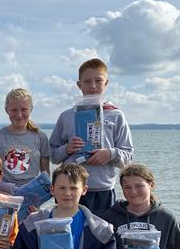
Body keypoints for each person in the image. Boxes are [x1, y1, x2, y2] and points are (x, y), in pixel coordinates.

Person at [48, 58, 133, 216]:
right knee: (70, 235)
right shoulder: (66, 116)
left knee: (101, 236)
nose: (93, 86)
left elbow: (128, 156)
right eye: (87, 81)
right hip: (70, 190)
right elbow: (52, 155)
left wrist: (110, 154)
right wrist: (67, 149)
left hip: (102, 190)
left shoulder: (116, 115)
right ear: (79, 84)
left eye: (98, 81)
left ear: (106, 83)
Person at [0, 88, 50, 194]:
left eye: (24, 109)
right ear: (6, 110)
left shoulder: (40, 137)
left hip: (31, 193)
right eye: (14, 110)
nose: (19, 115)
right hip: (2, 193)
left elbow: (45, 174)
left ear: (30, 109)